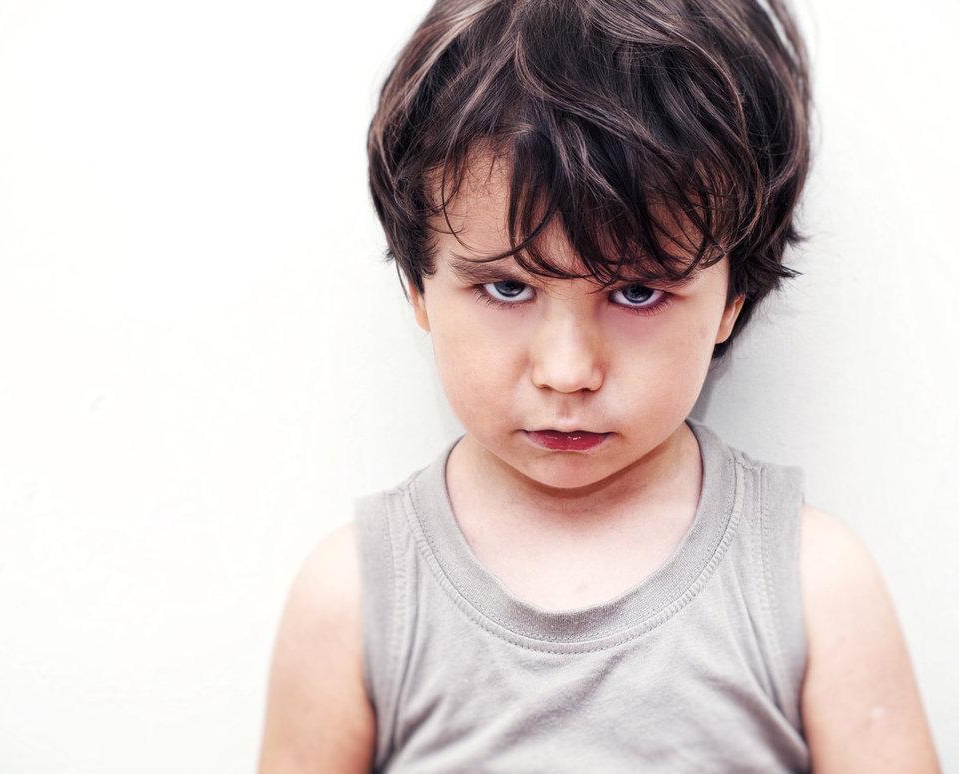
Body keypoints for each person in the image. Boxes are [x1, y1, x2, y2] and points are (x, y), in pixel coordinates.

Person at [257, 0, 941, 770]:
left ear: (733, 299)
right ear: (418, 287)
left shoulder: (815, 589)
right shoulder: (355, 600)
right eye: (509, 290)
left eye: (637, 293)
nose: (568, 372)